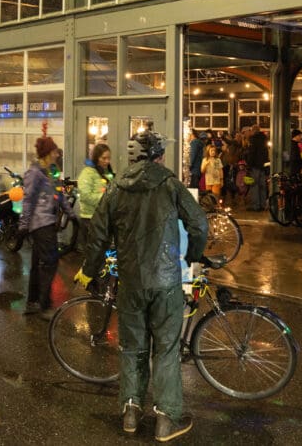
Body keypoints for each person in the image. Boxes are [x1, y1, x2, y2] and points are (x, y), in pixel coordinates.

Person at [76, 130, 207, 441]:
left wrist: (88, 271)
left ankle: (131, 414)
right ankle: (167, 419)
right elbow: (199, 223)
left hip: (131, 284)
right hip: (166, 283)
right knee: (165, 350)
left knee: (132, 348)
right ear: (158, 156)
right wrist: (192, 256)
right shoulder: (171, 185)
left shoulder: (116, 188)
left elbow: (97, 234)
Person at [20, 130, 76, 320]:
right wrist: (24, 225)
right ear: (47, 153)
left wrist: (71, 214)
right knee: (50, 263)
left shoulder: (52, 171)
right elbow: (28, 200)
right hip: (40, 224)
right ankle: (44, 306)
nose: (58, 154)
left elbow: (59, 195)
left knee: (37, 264)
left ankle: (32, 302)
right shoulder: (35, 173)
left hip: (48, 222)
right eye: (54, 151)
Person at [76, 143, 112, 254]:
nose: (107, 161)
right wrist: (106, 198)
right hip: (90, 219)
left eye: (108, 158)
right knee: (93, 255)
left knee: (101, 254)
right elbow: (86, 195)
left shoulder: (104, 173)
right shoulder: (87, 173)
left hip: (101, 218)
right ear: (96, 158)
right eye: (104, 158)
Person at [244, 125, 268, 211]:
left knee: (254, 186)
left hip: (255, 165)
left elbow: (252, 154)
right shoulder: (264, 139)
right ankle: (263, 205)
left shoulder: (253, 139)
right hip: (263, 165)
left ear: (253, 131)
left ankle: (256, 206)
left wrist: (249, 165)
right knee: (262, 186)